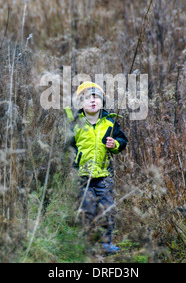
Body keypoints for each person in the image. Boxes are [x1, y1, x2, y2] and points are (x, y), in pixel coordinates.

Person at [65, 82, 128, 254]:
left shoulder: (110, 122)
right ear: (80, 103)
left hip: (104, 174)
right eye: (87, 98)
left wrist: (114, 143)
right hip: (82, 175)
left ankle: (106, 243)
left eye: (97, 98)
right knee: (87, 210)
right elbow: (66, 145)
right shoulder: (75, 123)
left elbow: (122, 141)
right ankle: (89, 244)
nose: (92, 101)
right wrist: (71, 160)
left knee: (107, 208)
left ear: (102, 102)